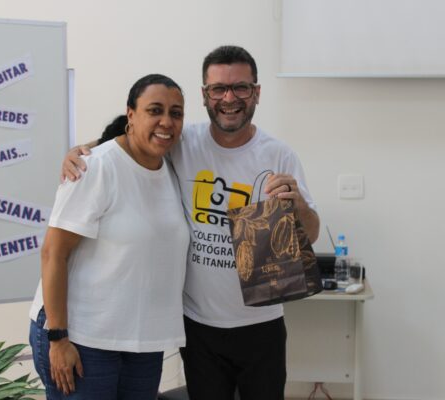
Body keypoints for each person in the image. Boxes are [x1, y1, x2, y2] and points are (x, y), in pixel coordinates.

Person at [62, 46, 320, 400]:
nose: (229, 98)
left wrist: (299, 205)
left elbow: (312, 234)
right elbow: (134, 140)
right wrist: (84, 150)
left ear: (256, 92)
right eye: (218, 89)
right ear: (205, 95)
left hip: (262, 322)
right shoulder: (184, 143)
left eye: (240, 87)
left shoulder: (278, 155)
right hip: (198, 326)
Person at [29, 73, 189, 400]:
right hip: (81, 337)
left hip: (142, 340)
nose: (166, 121)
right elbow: (53, 253)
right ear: (131, 114)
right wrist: (58, 338)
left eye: (176, 113)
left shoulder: (173, 164)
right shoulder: (95, 167)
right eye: (154, 110)